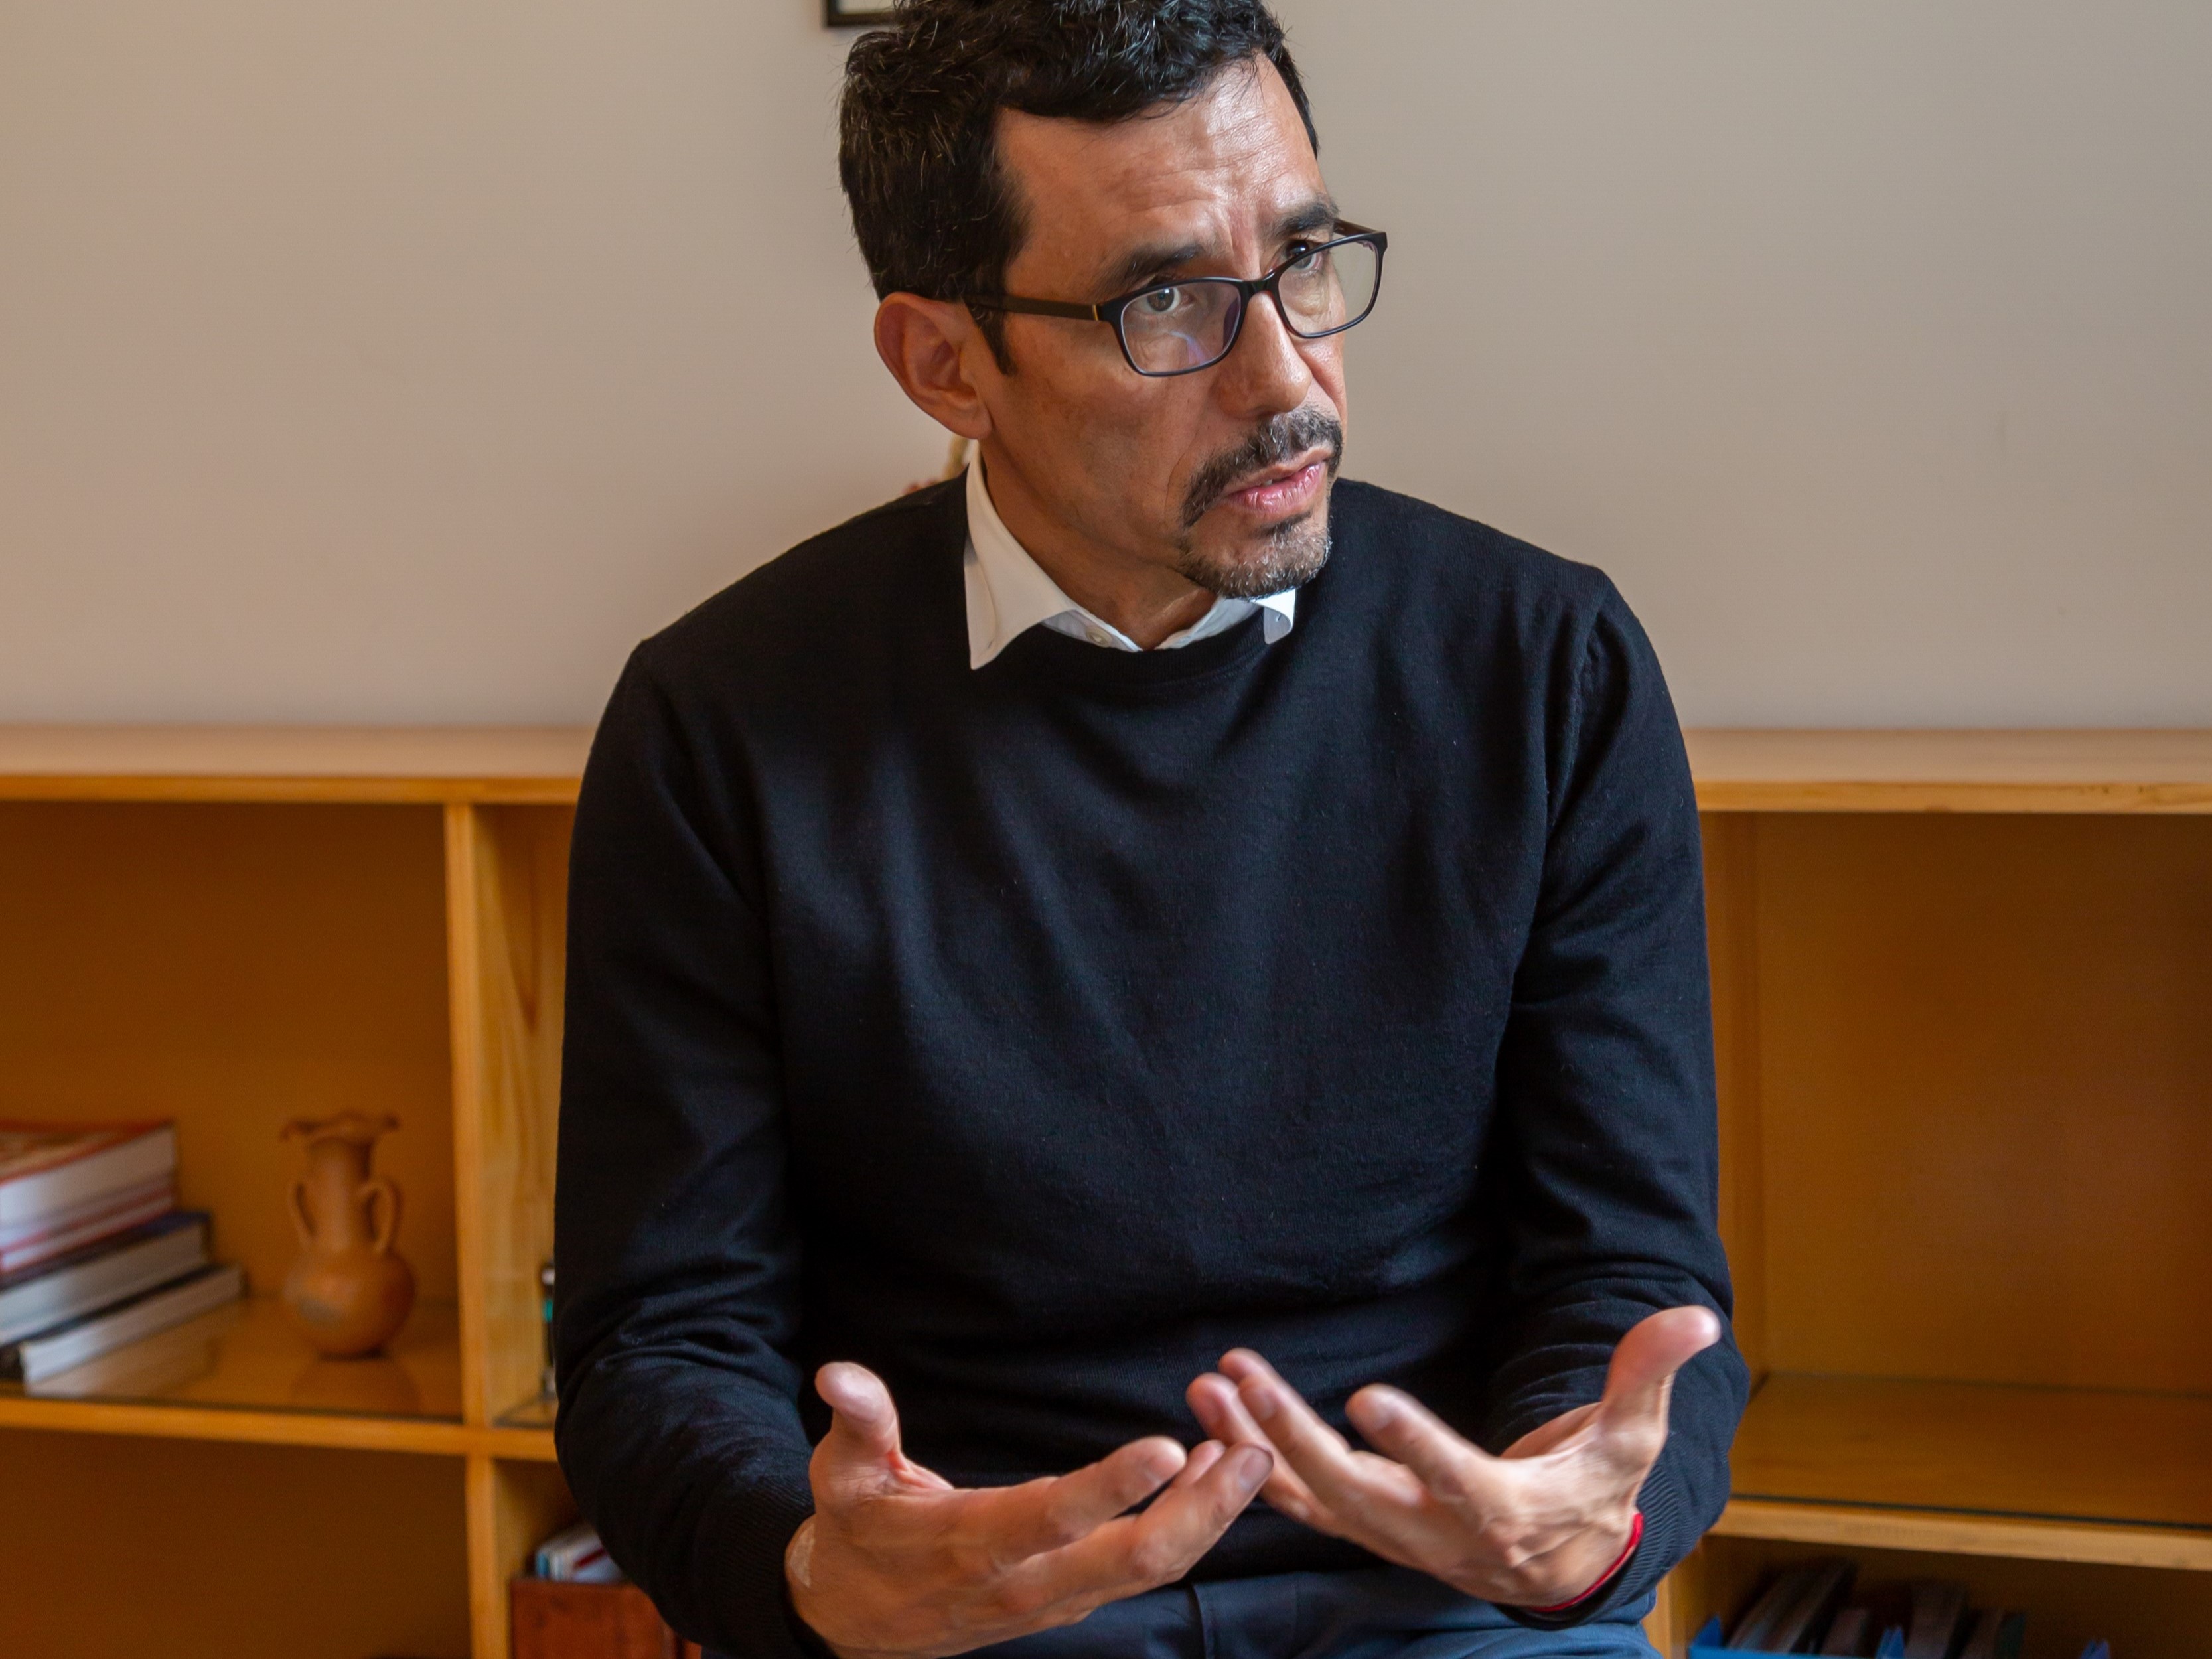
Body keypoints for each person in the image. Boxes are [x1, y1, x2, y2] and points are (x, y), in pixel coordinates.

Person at [553, 3, 1749, 1656]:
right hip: (974, 1600)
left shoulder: (1546, 668)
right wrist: (812, 1566)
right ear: (943, 362)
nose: (1286, 379)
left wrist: (1571, 1512)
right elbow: (656, 1336)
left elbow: (1627, 1273)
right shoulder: (719, 721)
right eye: (1165, 303)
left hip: (1435, 1596)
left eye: (1303, 260)